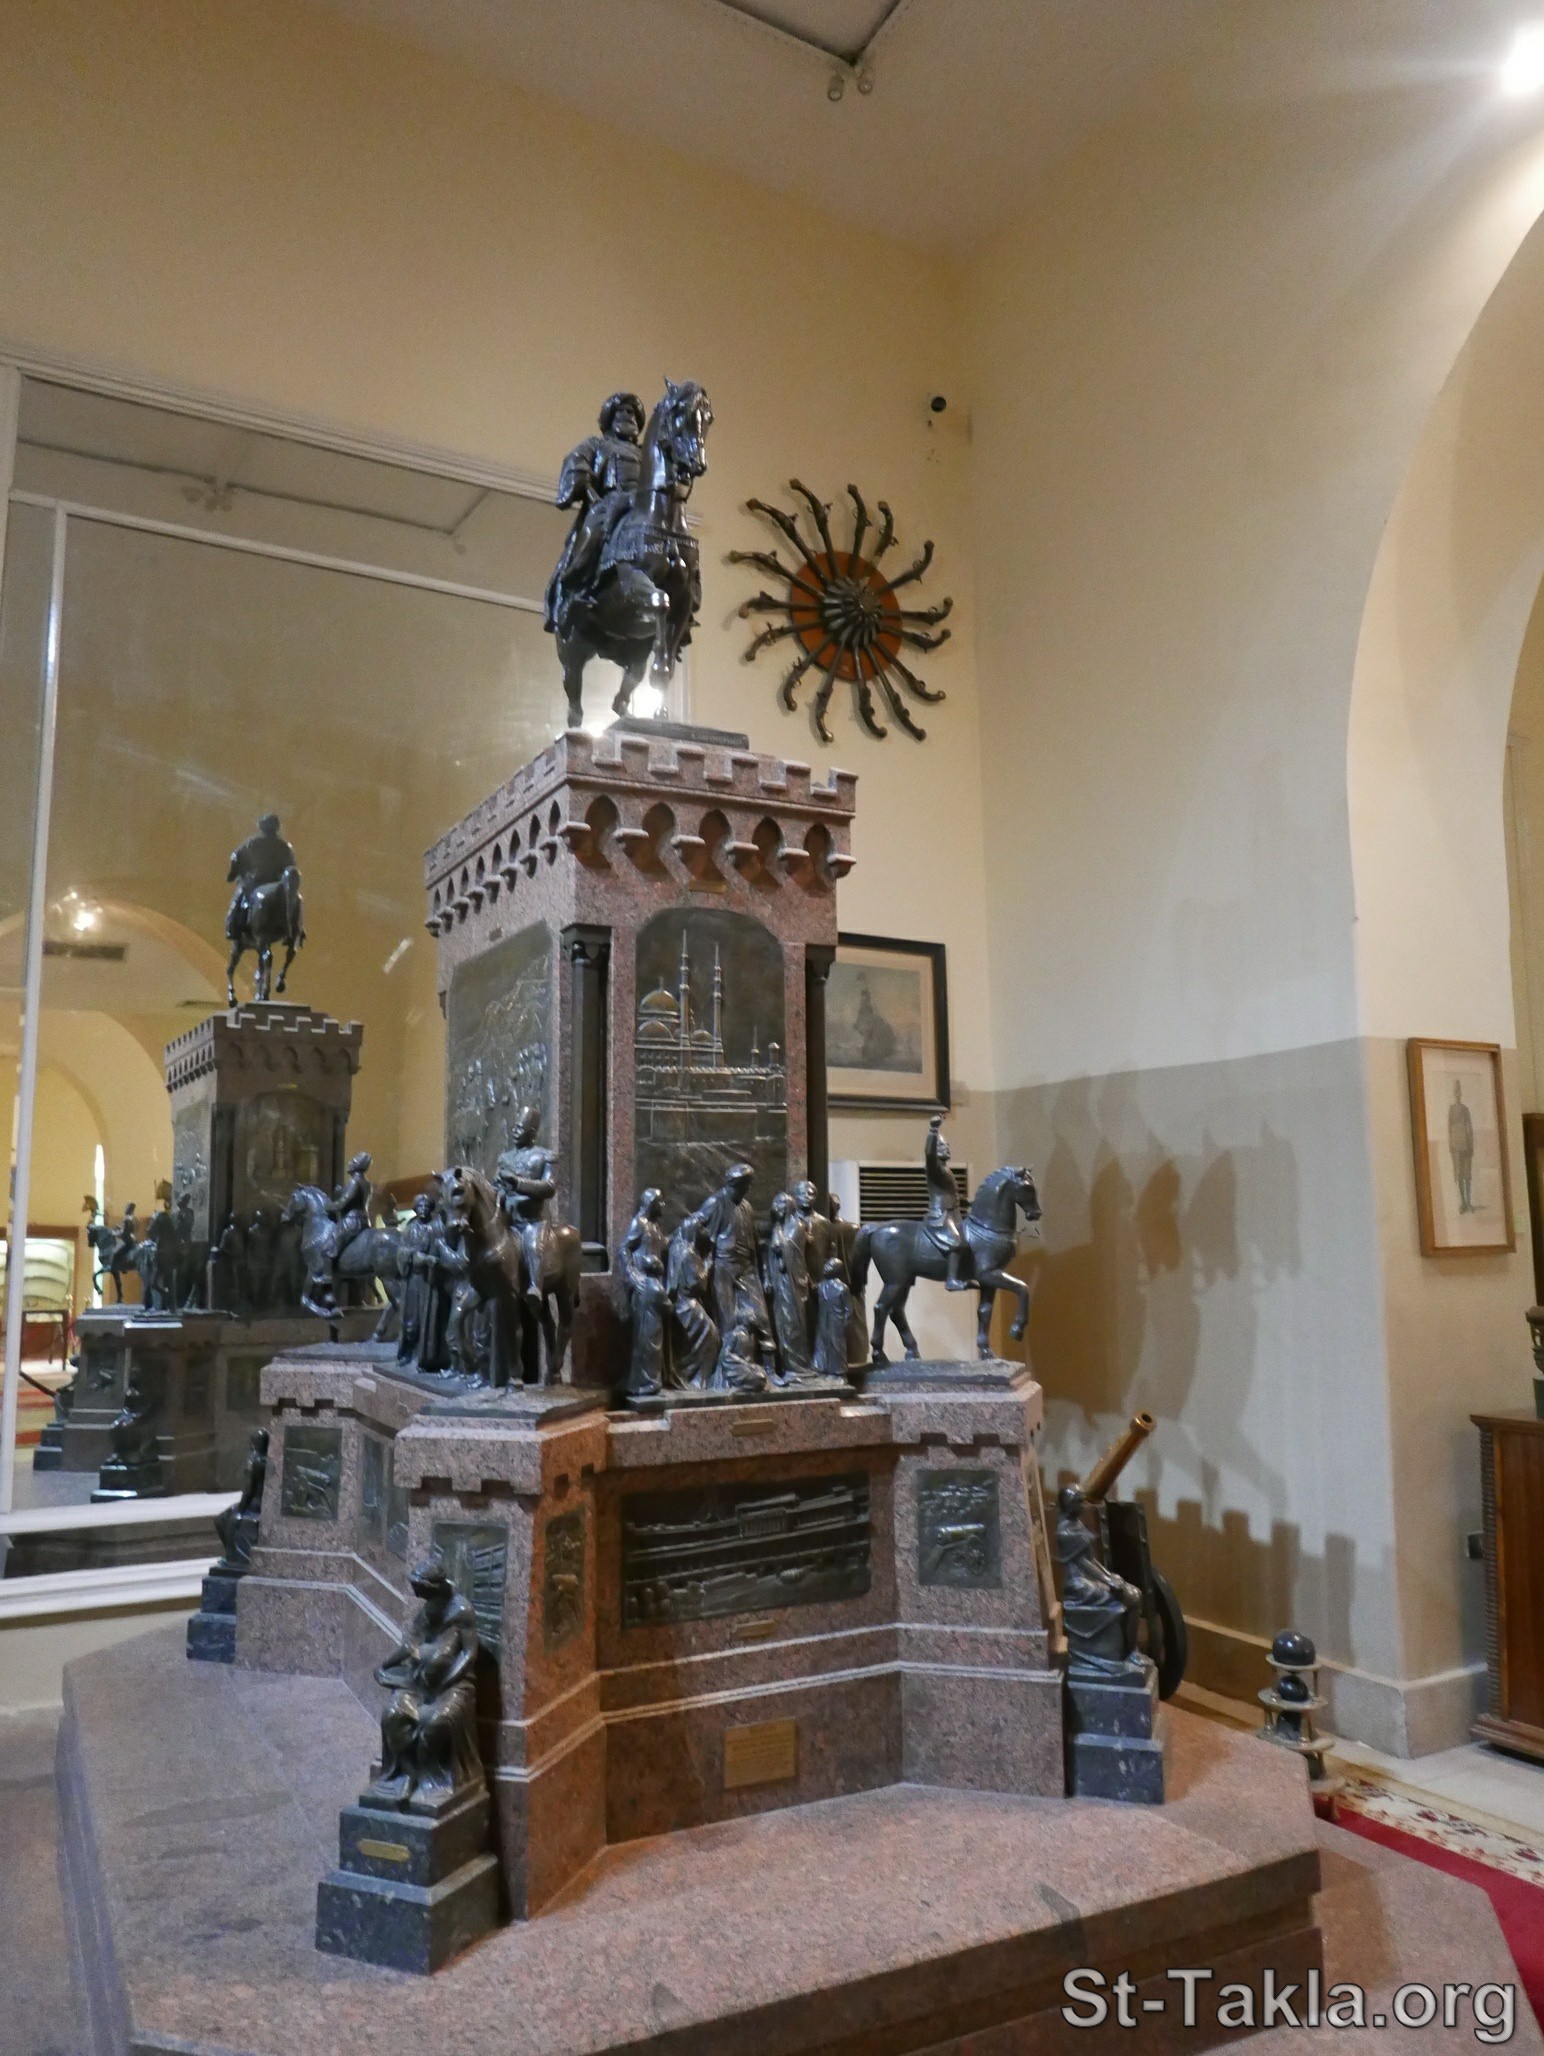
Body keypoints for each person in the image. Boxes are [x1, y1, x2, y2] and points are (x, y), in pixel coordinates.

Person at [545, 392, 646, 640]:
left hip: (643, 505)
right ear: (610, 419)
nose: (627, 416)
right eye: (621, 412)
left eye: (631, 412)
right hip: (610, 500)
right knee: (595, 533)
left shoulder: (647, 453)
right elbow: (576, 462)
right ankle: (575, 586)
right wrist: (586, 485)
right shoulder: (597, 445)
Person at [699, 1162, 772, 1356]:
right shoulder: (716, 1202)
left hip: (747, 1268)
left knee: (762, 1318)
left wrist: (764, 1273)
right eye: (746, 1185)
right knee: (728, 1320)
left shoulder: (747, 1206)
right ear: (737, 1184)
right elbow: (694, 1227)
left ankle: (769, 1367)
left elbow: (755, 1241)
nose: (748, 1189)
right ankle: (729, 1364)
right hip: (724, 1267)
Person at [493, 1106, 555, 1307]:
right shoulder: (505, 1158)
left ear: (531, 1132)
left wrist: (518, 1183)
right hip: (509, 1219)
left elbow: (549, 1187)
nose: (514, 1131)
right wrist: (499, 1191)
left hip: (532, 1220)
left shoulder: (545, 1157)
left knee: (534, 1246)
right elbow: (496, 1186)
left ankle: (535, 1287)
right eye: (515, 1127)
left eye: (519, 1128)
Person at [765, 1191, 815, 1383]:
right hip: (780, 1283)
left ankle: (797, 1366)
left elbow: (784, 1249)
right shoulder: (778, 1227)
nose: (776, 1208)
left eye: (781, 1204)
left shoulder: (797, 1226)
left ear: (789, 1207)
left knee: (792, 1324)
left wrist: (777, 1233)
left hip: (792, 1283)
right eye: (776, 1204)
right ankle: (785, 1364)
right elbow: (771, 1253)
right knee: (781, 1324)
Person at [225, 812, 298, 941]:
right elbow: (291, 866)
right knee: (295, 901)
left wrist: (233, 874)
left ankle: (232, 928)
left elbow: (236, 858)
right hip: (278, 885)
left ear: (262, 827)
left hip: (256, 882)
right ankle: (297, 930)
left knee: (238, 900)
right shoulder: (285, 847)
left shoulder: (252, 843)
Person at [667, 1211, 719, 1388]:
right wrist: (707, 1265)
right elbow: (698, 1285)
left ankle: (692, 1375)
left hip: (678, 1303)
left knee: (696, 1342)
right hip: (687, 1304)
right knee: (711, 1336)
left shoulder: (675, 1247)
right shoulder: (689, 1253)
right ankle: (698, 1380)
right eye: (700, 1231)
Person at [923, 1113, 970, 1291]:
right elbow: (929, 1154)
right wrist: (933, 1132)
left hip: (953, 1213)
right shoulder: (934, 1168)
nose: (946, 1148)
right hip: (941, 1214)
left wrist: (968, 1203)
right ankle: (951, 1280)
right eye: (942, 1146)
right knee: (956, 1240)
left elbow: (951, 1194)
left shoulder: (947, 1170)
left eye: (947, 1146)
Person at [814, 1259, 854, 1383]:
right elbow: (813, 1289)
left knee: (837, 1347)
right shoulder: (821, 1285)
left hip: (837, 1322)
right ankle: (822, 1370)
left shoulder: (842, 1288)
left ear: (837, 1270)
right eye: (827, 1264)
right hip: (823, 1321)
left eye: (830, 1265)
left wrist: (844, 1324)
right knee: (822, 1345)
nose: (826, 1267)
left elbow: (848, 1310)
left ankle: (838, 1373)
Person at [329, 1151, 374, 1256]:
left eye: (353, 1161)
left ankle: (328, 1267)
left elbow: (342, 1203)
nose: (349, 1163)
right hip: (365, 1220)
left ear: (357, 1165)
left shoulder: (354, 1181)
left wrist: (326, 1206)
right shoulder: (367, 1183)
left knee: (329, 1248)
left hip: (352, 1220)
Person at [1448, 1078, 1476, 1214]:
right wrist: (1451, 1145)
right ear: (1454, 1093)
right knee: (1459, 1175)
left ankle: (1469, 1202)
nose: (1457, 1094)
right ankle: (1462, 1202)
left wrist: (1471, 1144)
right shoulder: (1451, 1109)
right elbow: (1449, 1128)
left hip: (1466, 1145)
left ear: (1461, 1093)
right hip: (1456, 1146)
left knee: (1467, 1175)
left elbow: (1469, 1127)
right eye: (1455, 1092)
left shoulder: (1465, 1109)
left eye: (1459, 1091)